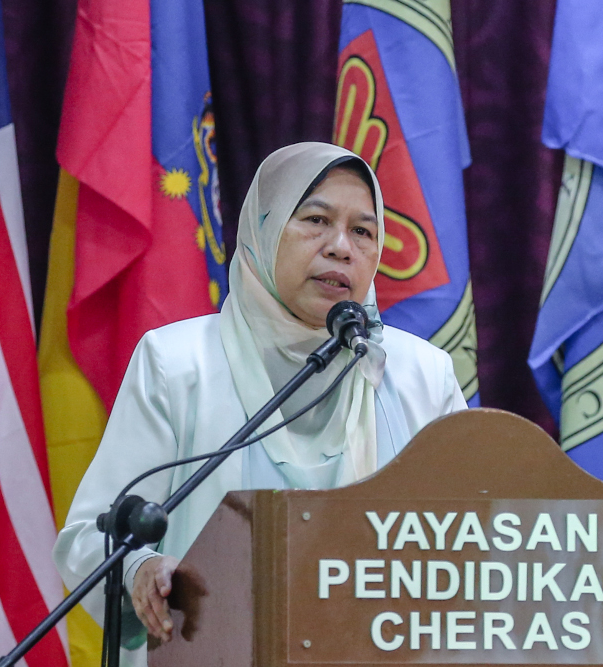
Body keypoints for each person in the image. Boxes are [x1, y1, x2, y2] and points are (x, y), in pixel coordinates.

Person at [53, 142, 467, 662]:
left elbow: (472, 549)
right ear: (263, 229)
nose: (341, 247)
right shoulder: (179, 364)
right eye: (316, 220)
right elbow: (92, 540)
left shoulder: (422, 376)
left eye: (363, 231)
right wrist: (140, 570)